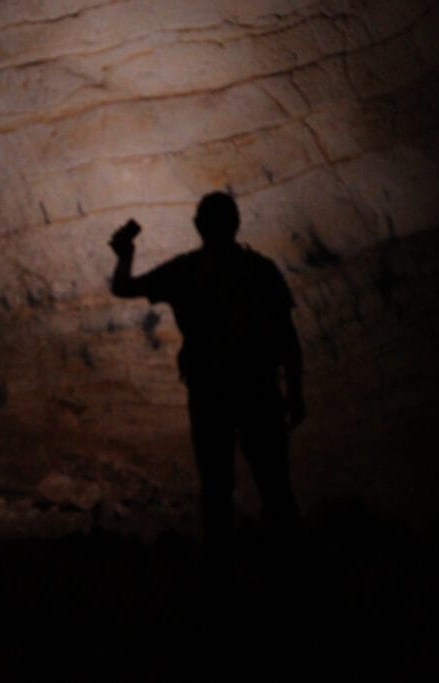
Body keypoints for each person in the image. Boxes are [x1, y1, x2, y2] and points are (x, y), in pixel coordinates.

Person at [109, 192, 305, 562]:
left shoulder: (186, 271)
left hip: (211, 393)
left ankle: (221, 578)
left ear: (198, 225)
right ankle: (292, 574)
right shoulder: (261, 270)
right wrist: (295, 393)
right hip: (258, 390)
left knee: (216, 488)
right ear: (236, 224)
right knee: (275, 487)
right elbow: (287, 338)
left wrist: (124, 254)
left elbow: (123, 287)